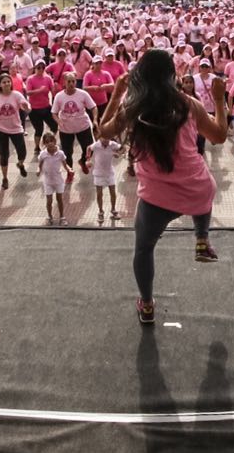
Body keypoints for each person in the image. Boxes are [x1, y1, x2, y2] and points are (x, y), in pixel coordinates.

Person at [96, 50, 227, 325]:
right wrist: (218, 99)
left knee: (143, 249)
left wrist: (118, 92)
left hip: (157, 199)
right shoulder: (189, 104)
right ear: (172, 76)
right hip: (198, 190)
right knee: (207, 185)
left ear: (140, 77)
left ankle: (146, 305)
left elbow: (103, 132)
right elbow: (219, 136)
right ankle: (201, 238)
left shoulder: (133, 107)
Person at [0, 73, 31, 190]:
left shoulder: (16, 95)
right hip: (1, 129)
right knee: (4, 155)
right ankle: (5, 178)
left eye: (8, 81)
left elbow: (27, 107)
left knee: (22, 152)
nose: (6, 84)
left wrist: (26, 107)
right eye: (4, 82)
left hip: (16, 128)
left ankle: (20, 164)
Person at [51, 72, 98, 183]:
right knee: (67, 153)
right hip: (66, 129)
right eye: (69, 81)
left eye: (73, 81)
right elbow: (54, 112)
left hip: (83, 126)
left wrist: (95, 120)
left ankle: (82, 161)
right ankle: (70, 172)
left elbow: (94, 107)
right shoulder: (59, 96)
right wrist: (59, 121)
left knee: (90, 149)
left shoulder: (83, 94)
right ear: (64, 83)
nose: (71, 84)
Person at [86, 135, 122, 223]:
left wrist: (118, 154)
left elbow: (123, 147)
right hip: (98, 173)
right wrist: (88, 159)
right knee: (99, 194)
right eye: (103, 138)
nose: (106, 140)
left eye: (107, 137)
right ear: (100, 138)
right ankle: (101, 212)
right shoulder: (96, 145)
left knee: (113, 193)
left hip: (110, 173)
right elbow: (88, 148)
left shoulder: (113, 144)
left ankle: (113, 210)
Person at [38, 132, 67, 225]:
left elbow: (64, 163)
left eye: (51, 141)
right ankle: (49, 217)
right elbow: (40, 164)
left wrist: (69, 169)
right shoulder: (43, 154)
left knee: (59, 199)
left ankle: (62, 217)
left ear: (55, 141)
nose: (49, 143)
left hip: (58, 180)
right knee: (49, 200)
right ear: (44, 143)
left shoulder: (60, 153)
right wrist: (39, 170)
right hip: (48, 181)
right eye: (47, 142)